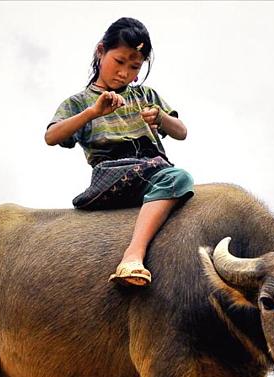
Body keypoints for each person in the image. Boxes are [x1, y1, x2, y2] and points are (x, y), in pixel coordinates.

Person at [45, 17, 193, 287]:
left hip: (154, 171)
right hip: (113, 174)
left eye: (134, 66)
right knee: (178, 178)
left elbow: (181, 132)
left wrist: (161, 117)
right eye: (119, 61)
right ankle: (133, 254)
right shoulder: (80, 102)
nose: (124, 72)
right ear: (101, 51)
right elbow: (52, 136)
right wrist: (92, 113)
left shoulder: (146, 95)